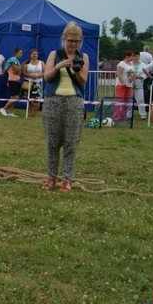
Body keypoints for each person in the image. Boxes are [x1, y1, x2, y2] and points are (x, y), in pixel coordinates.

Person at [41, 22, 89, 192]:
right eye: (70, 41)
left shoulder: (83, 57)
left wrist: (76, 70)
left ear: (80, 41)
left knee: (71, 142)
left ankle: (67, 179)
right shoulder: (54, 54)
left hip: (74, 102)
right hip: (53, 101)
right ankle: (51, 177)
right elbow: (47, 77)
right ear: (64, 39)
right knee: (52, 142)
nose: (73, 44)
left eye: (76, 41)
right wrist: (58, 66)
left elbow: (83, 81)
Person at [112, 51, 136, 122]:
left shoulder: (131, 64)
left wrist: (134, 82)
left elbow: (133, 73)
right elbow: (119, 73)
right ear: (127, 56)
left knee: (126, 101)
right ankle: (116, 116)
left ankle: (123, 116)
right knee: (120, 100)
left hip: (129, 85)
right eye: (132, 56)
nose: (133, 58)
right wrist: (123, 82)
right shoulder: (121, 64)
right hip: (121, 85)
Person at [0, 47, 23, 117]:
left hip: (17, 80)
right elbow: (17, 70)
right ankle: (4, 109)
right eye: (20, 53)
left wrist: (19, 70)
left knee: (13, 97)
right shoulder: (12, 60)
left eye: (21, 53)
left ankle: (10, 112)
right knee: (16, 98)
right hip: (12, 81)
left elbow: (19, 72)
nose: (21, 55)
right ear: (16, 53)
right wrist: (22, 66)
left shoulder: (17, 61)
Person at [22, 48, 44, 118]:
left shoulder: (41, 63)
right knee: (28, 99)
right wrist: (31, 76)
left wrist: (38, 76)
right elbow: (24, 73)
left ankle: (35, 114)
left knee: (36, 99)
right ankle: (28, 113)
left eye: (36, 54)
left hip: (38, 83)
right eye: (33, 54)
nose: (34, 55)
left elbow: (45, 72)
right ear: (30, 55)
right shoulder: (26, 63)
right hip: (28, 82)